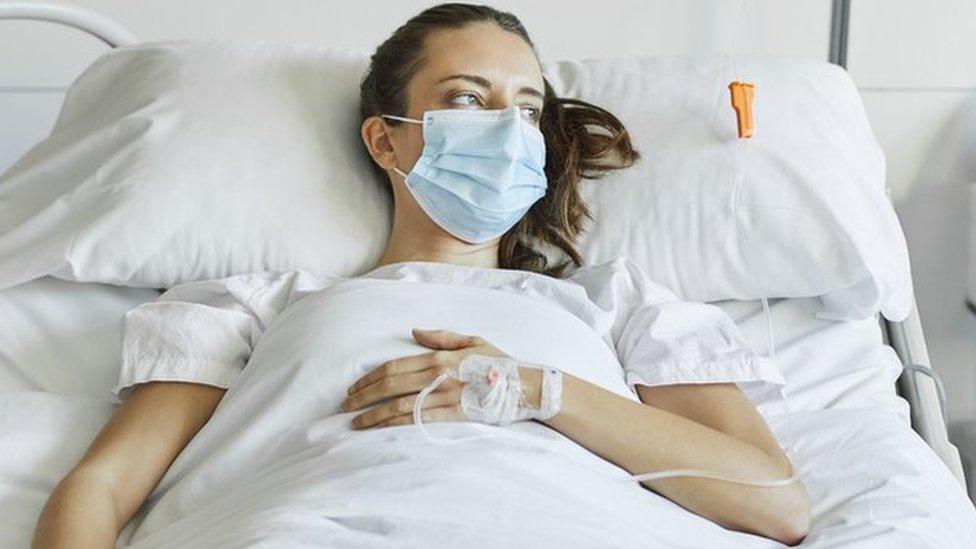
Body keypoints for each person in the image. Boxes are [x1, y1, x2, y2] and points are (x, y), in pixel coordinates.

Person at [32, 4, 810, 547]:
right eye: (469, 99)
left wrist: (539, 390)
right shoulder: (256, 305)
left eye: (528, 108)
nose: (508, 128)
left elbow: (776, 506)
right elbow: (101, 489)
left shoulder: (614, 303)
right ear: (386, 141)